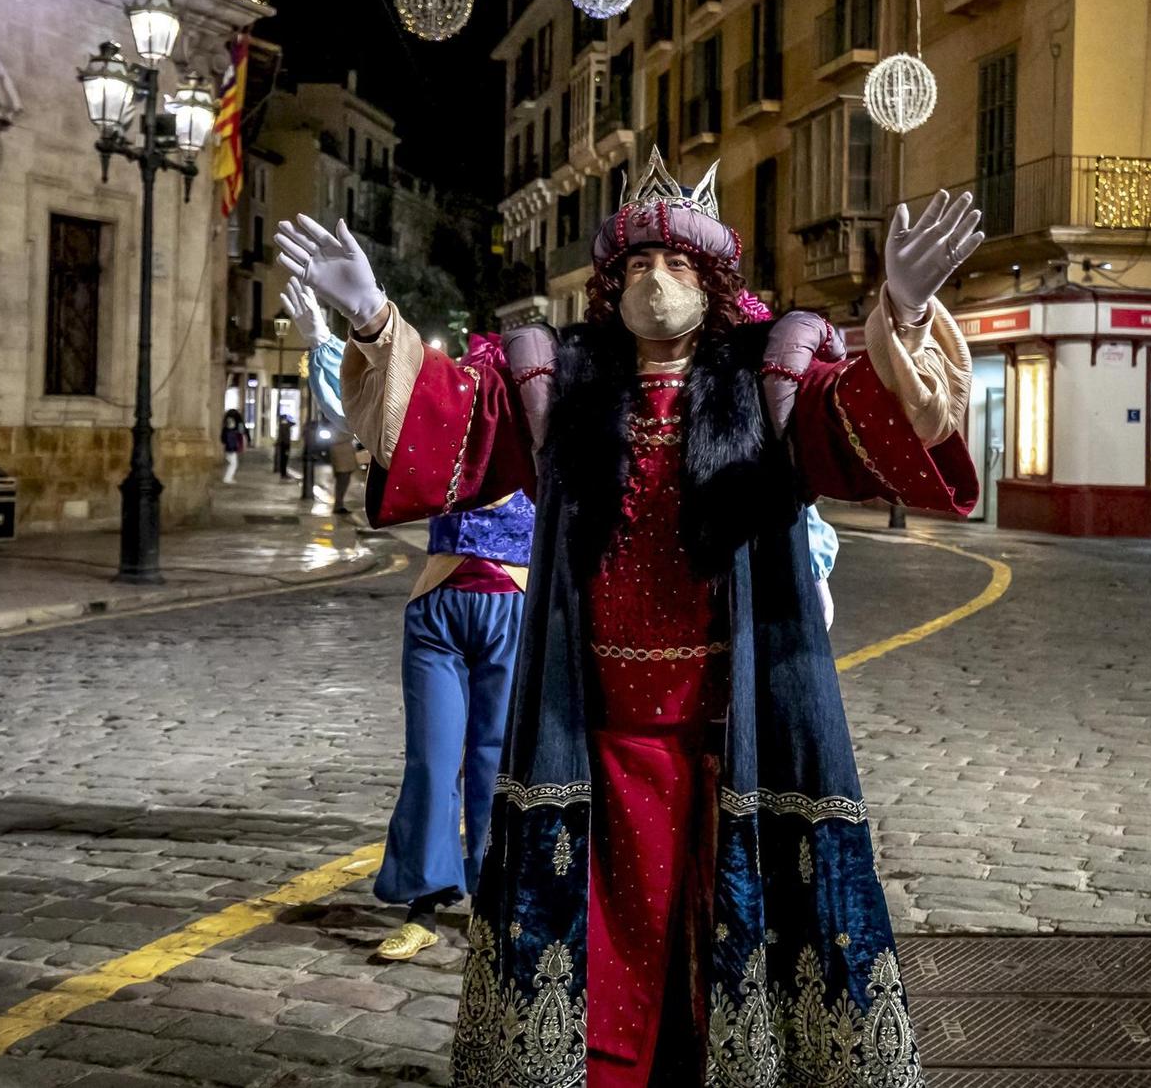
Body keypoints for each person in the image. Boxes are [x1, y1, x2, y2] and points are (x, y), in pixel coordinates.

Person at [280, 152, 981, 1087]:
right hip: (592, 720)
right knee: (605, 936)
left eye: (683, 264)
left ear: (716, 281)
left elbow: (858, 426)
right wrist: (373, 319)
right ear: (611, 283)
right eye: (641, 263)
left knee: (719, 928)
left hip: (732, 727)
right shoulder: (555, 383)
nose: (660, 280)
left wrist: (897, 313)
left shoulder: (770, 378)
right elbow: (451, 423)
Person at [288, 312, 538, 962]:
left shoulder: (544, 431)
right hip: (437, 610)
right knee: (431, 760)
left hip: (512, 610)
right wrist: (326, 346)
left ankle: (493, 897)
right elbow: (369, 412)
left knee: (493, 764)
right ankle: (425, 902)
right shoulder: (447, 422)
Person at [220, 409, 247, 484]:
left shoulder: (226, 425)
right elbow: (242, 435)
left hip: (228, 447)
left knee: (231, 462)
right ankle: (227, 478)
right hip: (233, 447)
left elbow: (222, 438)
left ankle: (227, 477)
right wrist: (243, 446)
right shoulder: (239, 424)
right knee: (233, 463)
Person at [274, 414, 296, 481]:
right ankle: (283, 474)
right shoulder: (284, 424)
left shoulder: (281, 424)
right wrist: (289, 418)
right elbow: (293, 423)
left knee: (283, 459)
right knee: (284, 459)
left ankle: (283, 473)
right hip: (285, 444)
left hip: (283, 444)